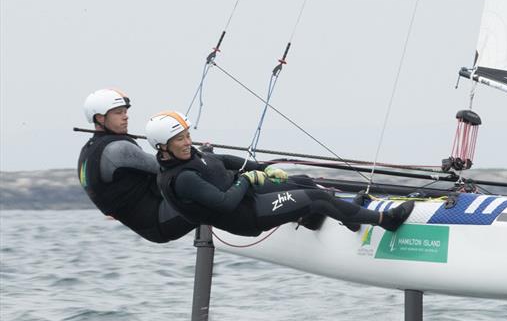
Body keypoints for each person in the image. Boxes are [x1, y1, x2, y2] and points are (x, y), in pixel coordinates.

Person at [146, 111, 414, 237]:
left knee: (302, 181)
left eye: (187, 135)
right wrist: (247, 179)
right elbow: (225, 202)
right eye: (179, 139)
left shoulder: (190, 154)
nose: (187, 141)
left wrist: (262, 169)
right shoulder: (182, 179)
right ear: (163, 147)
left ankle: (338, 220)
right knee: (316, 198)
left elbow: (225, 160)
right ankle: (384, 220)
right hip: (246, 215)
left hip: (249, 196)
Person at [77, 89, 196, 243]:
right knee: (217, 187)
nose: (126, 117)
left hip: (153, 226)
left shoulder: (87, 151)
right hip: (162, 221)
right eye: (118, 113)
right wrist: (203, 155)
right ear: (100, 118)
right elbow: (171, 167)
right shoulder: (116, 150)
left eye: (125, 112)